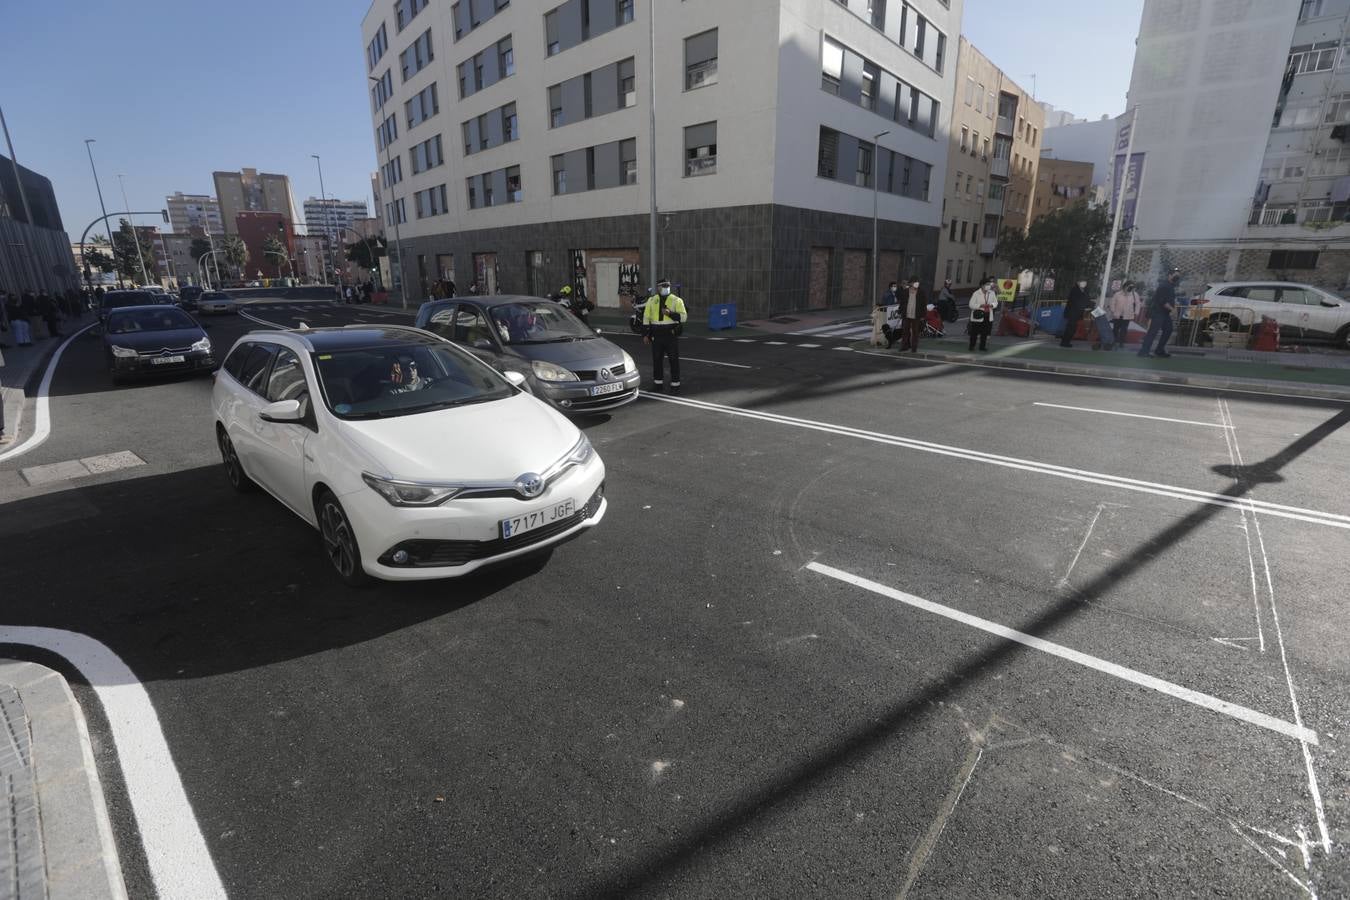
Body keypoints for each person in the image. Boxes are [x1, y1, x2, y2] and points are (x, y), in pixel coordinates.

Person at [643, 278, 687, 393]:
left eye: (667, 285)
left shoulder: (677, 300)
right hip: (656, 335)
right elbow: (646, 318)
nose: (666, 288)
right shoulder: (651, 300)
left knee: (673, 360)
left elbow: (683, 317)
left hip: (670, 334)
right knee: (657, 360)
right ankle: (658, 385)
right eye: (663, 286)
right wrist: (646, 335)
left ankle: (675, 385)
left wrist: (670, 314)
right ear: (658, 287)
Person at [1138, 268, 1182, 358]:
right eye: (1176, 275)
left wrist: (1174, 307)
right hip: (1158, 312)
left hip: (1165, 313)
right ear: (1170, 275)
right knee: (1153, 332)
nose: (1177, 277)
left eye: (1178, 276)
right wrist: (1172, 310)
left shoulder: (1171, 286)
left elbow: (1170, 299)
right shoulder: (1164, 286)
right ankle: (1143, 351)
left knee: (1168, 329)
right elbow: (1162, 301)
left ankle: (1159, 350)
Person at [890, 278, 926, 352]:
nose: (917, 284)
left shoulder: (921, 292)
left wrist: (923, 315)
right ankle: (904, 346)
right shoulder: (906, 292)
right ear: (911, 283)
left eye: (917, 282)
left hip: (916, 315)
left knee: (915, 332)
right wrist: (900, 311)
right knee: (905, 332)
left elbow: (923, 304)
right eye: (915, 282)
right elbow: (902, 302)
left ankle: (914, 348)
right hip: (906, 314)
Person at [1108, 280, 1142, 348]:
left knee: (1124, 329)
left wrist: (1136, 312)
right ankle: (1113, 341)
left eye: (1131, 287)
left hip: (1127, 315)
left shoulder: (1134, 294)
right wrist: (1113, 311)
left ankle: (1121, 342)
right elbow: (1112, 303)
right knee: (1115, 329)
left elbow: (1138, 304)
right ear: (1125, 286)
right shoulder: (1118, 294)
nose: (1129, 289)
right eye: (1129, 287)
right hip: (1117, 314)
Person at [1060, 279, 1092, 348]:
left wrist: (1089, 305)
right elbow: (1075, 301)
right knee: (1070, 327)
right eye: (1082, 282)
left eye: (1085, 282)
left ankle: (1067, 341)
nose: (1084, 283)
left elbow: (1087, 299)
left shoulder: (1085, 290)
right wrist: (1083, 305)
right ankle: (1064, 342)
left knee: (1073, 327)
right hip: (1072, 311)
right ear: (1078, 283)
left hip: (1078, 312)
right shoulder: (1074, 290)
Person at [968, 278, 998, 351]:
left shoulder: (992, 293)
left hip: (987, 315)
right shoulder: (976, 293)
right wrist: (980, 305)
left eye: (989, 284)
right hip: (978, 315)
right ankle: (972, 346)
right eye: (987, 284)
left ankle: (982, 347)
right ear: (982, 285)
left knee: (985, 332)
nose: (988, 286)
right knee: (974, 332)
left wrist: (991, 305)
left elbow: (996, 303)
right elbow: (971, 305)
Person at [873, 280, 898, 348]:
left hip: (890, 313)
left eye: (896, 286)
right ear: (890, 287)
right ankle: (881, 340)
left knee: (889, 327)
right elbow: (889, 304)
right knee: (885, 327)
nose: (895, 287)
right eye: (894, 286)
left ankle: (888, 340)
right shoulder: (889, 294)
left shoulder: (893, 294)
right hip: (887, 312)